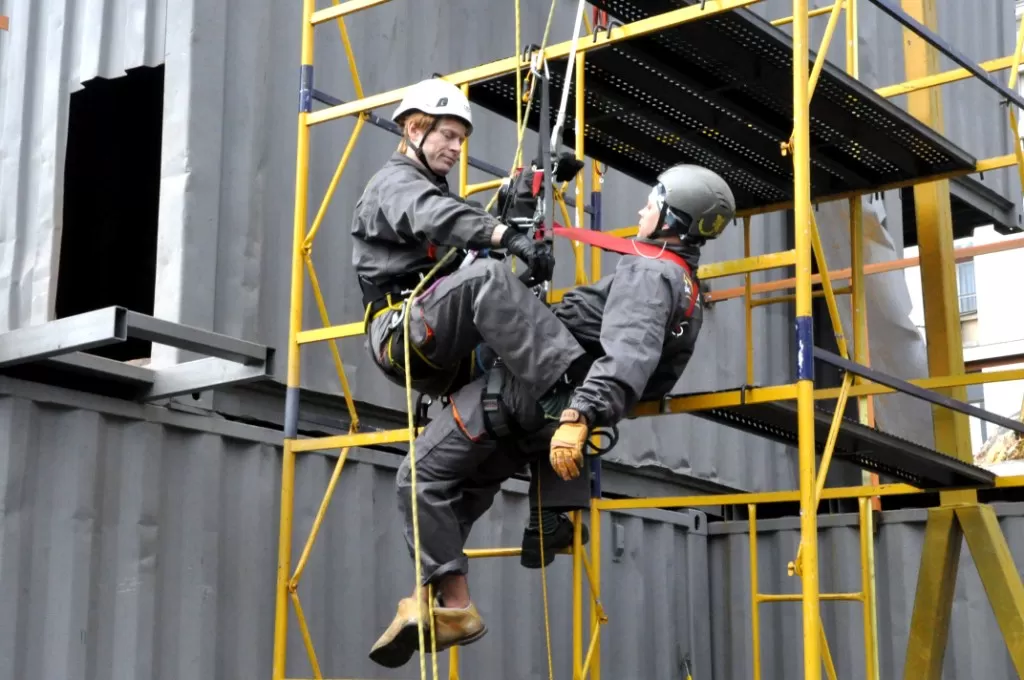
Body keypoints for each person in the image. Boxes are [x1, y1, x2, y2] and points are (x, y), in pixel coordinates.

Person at [367, 163, 737, 669]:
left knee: (419, 476)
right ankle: (440, 594)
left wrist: (579, 411)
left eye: (651, 203)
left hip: (528, 397)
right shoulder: (684, 284)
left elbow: (628, 353)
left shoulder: (651, 271)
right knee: (456, 497)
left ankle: (455, 605)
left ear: (673, 217)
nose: (640, 210)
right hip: (535, 424)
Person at [350, 77, 591, 403]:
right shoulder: (394, 185)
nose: (456, 148)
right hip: (403, 334)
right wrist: (506, 238)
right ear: (415, 131)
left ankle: (564, 386)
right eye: (448, 135)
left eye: (461, 140)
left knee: (533, 306)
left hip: (449, 346)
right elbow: (439, 216)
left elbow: (487, 222)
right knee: (486, 278)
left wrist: (535, 179)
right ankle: (569, 383)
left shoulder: (436, 194)